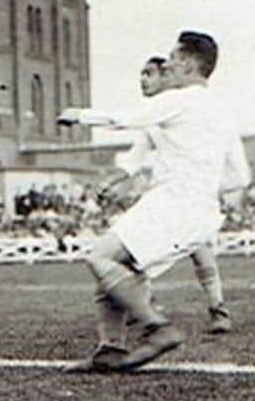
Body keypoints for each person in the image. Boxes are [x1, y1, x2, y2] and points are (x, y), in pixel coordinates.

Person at [58, 31, 250, 371]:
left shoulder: (182, 98)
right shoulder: (221, 111)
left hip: (175, 203)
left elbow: (125, 118)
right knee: (113, 260)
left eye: (173, 59)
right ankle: (109, 350)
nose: (169, 65)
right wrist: (202, 185)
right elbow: (239, 178)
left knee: (100, 257)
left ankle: (157, 328)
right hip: (198, 209)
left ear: (189, 63)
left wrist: (78, 114)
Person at [93, 56, 235, 351]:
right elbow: (134, 159)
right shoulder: (155, 119)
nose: (143, 80)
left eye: (150, 74)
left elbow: (123, 121)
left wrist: (80, 115)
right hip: (173, 200)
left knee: (199, 252)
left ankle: (207, 311)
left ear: (167, 77)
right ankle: (124, 331)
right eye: (141, 74)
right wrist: (113, 180)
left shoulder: (181, 106)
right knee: (123, 256)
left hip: (184, 202)